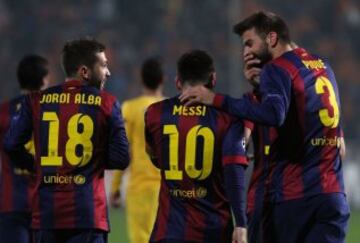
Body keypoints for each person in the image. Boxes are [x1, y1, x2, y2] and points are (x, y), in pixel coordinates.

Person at [179, 11, 349, 243]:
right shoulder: (323, 67)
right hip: (333, 197)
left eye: (250, 43)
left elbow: (272, 114)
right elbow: (333, 130)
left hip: (295, 199)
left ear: (271, 38)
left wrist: (214, 99)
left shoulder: (278, 68)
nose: (246, 51)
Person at [4, 38, 130, 243]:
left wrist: (37, 165)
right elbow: (121, 159)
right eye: (104, 65)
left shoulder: (36, 101)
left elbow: (11, 145)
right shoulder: (107, 103)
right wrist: (92, 160)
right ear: (84, 72)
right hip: (88, 215)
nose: (108, 72)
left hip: (47, 214)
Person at [145, 50, 248, 243]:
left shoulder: (155, 113)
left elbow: (154, 155)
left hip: (168, 233)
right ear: (213, 79)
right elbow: (234, 173)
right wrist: (241, 223)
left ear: (177, 82)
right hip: (214, 232)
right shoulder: (228, 117)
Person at [110, 57, 165, 243]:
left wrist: (116, 187)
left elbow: (124, 151)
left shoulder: (130, 109)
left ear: (141, 79)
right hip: (168, 189)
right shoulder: (172, 109)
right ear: (163, 80)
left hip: (139, 187)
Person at [0, 54, 49, 243]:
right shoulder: (54, 112)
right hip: (46, 205)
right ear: (45, 79)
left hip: (11, 203)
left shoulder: (4, 112)